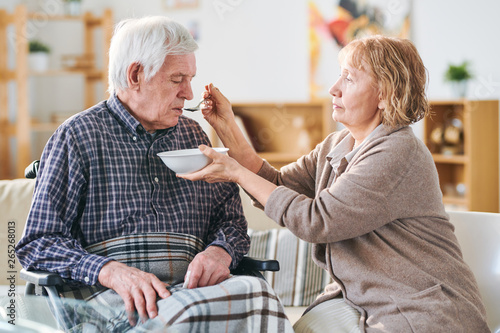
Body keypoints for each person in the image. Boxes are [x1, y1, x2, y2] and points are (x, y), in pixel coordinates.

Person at [179, 35, 490, 332]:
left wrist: (235, 172)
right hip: (365, 302)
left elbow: (317, 221)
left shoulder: (398, 151)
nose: (333, 89)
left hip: (420, 309)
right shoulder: (338, 144)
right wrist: (228, 126)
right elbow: (277, 184)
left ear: (384, 94)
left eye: (349, 79)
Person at [16, 16, 293, 332]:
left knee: (260, 293)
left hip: (189, 293)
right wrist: (112, 271)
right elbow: (38, 244)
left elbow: (230, 221)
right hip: (107, 299)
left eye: (190, 78)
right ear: (135, 75)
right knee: (189, 314)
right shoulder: (77, 137)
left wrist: (219, 253)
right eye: (177, 79)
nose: (188, 93)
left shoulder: (194, 136)